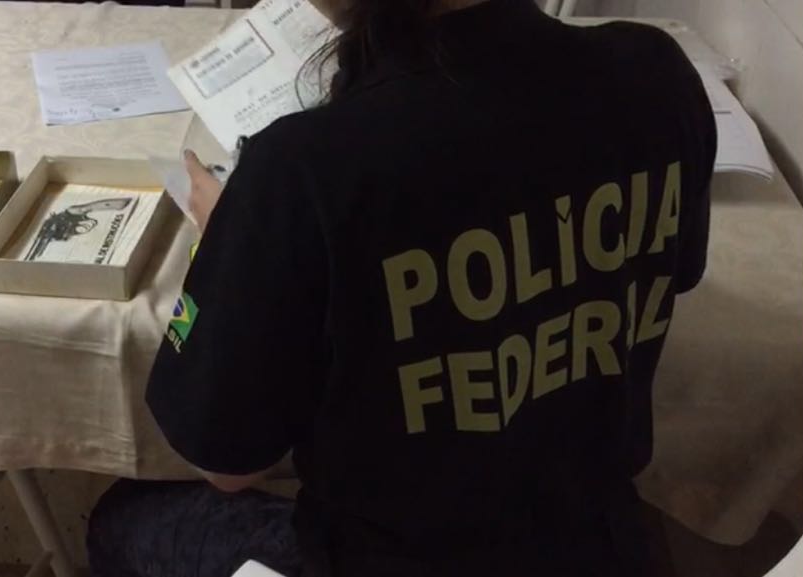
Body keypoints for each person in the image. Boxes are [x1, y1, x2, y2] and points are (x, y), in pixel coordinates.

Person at [88, 0, 716, 575]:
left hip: (391, 556)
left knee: (122, 518)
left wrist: (233, 236)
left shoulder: (302, 170)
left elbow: (227, 465)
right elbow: (675, 274)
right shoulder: (656, 74)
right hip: (597, 543)